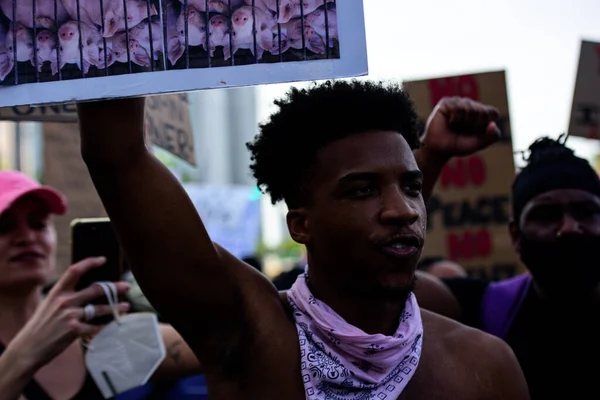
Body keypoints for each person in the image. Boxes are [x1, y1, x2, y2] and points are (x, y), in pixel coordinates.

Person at [77, 80, 529, 399]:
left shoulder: (485, 365)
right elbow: (118, 156)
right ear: (300, 226)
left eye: (412, 187)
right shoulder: (251, 336)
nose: (404, 209)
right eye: (362, 190)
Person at [414, 135, 600, 399]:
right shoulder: (485, 308)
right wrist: (431, 158)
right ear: (515, 235)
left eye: (586, 212)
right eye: (547, 215)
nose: (569, 228)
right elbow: (377, 285)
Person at [0, 170, 201, 400]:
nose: (28, 237)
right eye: (4, 226)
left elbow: (226, 342)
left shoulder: (94, 330)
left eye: (39, 224)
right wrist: (27, 352)